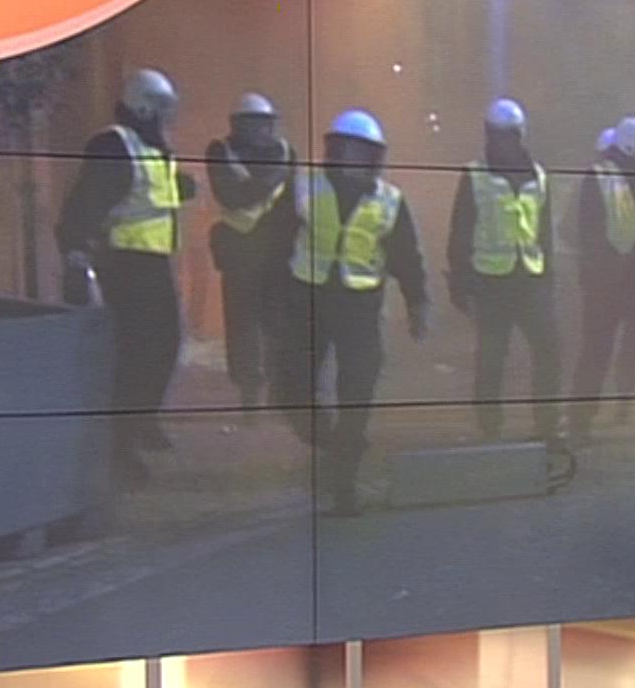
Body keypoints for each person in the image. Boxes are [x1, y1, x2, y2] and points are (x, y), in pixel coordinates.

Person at [55, 67, 199, 480]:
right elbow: (86, 202)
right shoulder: (115, 145)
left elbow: (150, 193)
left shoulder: (150, 146)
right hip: (125, 263)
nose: (167, 115)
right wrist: (75, 250)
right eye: (160, 107)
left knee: (161, 347)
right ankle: (122, 445)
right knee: (139, 353)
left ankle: (140, 422)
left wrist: (184, 186)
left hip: (151, 261)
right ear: (142, 106)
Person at [287, 109, 432, 515]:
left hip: (360, 307)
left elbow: (406, 255)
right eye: (348, 149)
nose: (355, 157)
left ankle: (345, 480)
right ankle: (331, 443)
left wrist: (417, 302)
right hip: (309, 301)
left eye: (364, 151)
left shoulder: (389, 199)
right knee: (295, 389)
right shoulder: (306, 187)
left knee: (357, 393)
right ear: (334, 149)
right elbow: (279, 243)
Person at [447, 98, 562, 442]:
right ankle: (490, 427)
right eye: (498, 136)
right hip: (491, 282)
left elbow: (545, 232)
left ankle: (547, 424)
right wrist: (460, 282)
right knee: (492, 357)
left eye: (509, 135)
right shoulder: (474, 176)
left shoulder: (539, 176)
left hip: (530, 279)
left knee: (549, 350)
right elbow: (461, 231)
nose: (503, 143)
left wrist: (549, 276)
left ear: (520, 135)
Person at [205, 92, 297, 410]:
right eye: (253, 123)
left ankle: (277, 387)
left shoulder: (285, 152)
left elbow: (293, 203)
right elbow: (231, 196)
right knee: (242, 324)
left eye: (265, 123)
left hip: (276, 250)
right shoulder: (221, 151)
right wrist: (271, 180)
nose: (260, 130)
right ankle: (249, 391)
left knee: (278, 323)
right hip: (239, 251)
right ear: (238, 124)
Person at [568, 115, 635, 444]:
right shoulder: (599, 176)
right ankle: (581, 421)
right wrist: (602, 269)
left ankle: (628, 407)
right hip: (606, 280)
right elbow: (588, 230)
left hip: (634, 279)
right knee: (596, 351)